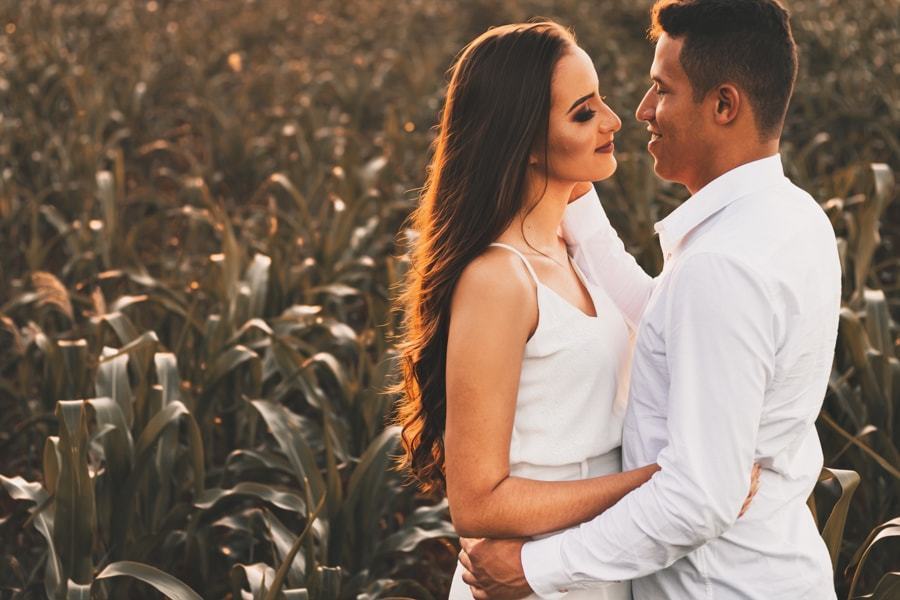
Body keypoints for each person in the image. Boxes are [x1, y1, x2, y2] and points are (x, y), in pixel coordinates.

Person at [459, 1, 841, 599]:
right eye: (586, 111)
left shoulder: (721, 266)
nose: (637, 113)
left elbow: (696, 498)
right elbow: (668, 322)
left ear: (723, 105)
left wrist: (534, 569)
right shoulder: (791, 218)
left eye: (660, 90)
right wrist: (571, 197)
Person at [391, 19, 759, 600]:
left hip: (594, 567)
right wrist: (661, 482)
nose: (615, 120)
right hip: (528, 576)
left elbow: (654, 313)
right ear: (525, 139)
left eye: (601, 101)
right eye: (584, 113)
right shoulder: (498, 280)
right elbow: (478, 503)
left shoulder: (573, 251)